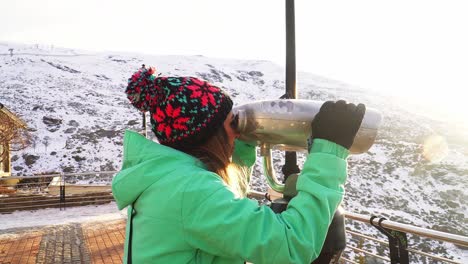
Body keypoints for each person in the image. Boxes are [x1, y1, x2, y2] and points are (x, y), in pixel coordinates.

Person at [112, 66, 366, 263]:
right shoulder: (191, 190)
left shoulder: (171, 179)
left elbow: (225, 202)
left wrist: (252, 137)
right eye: (231, 123)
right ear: (209, 132)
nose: (236, 131)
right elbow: (291, 244)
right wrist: (328, 151)